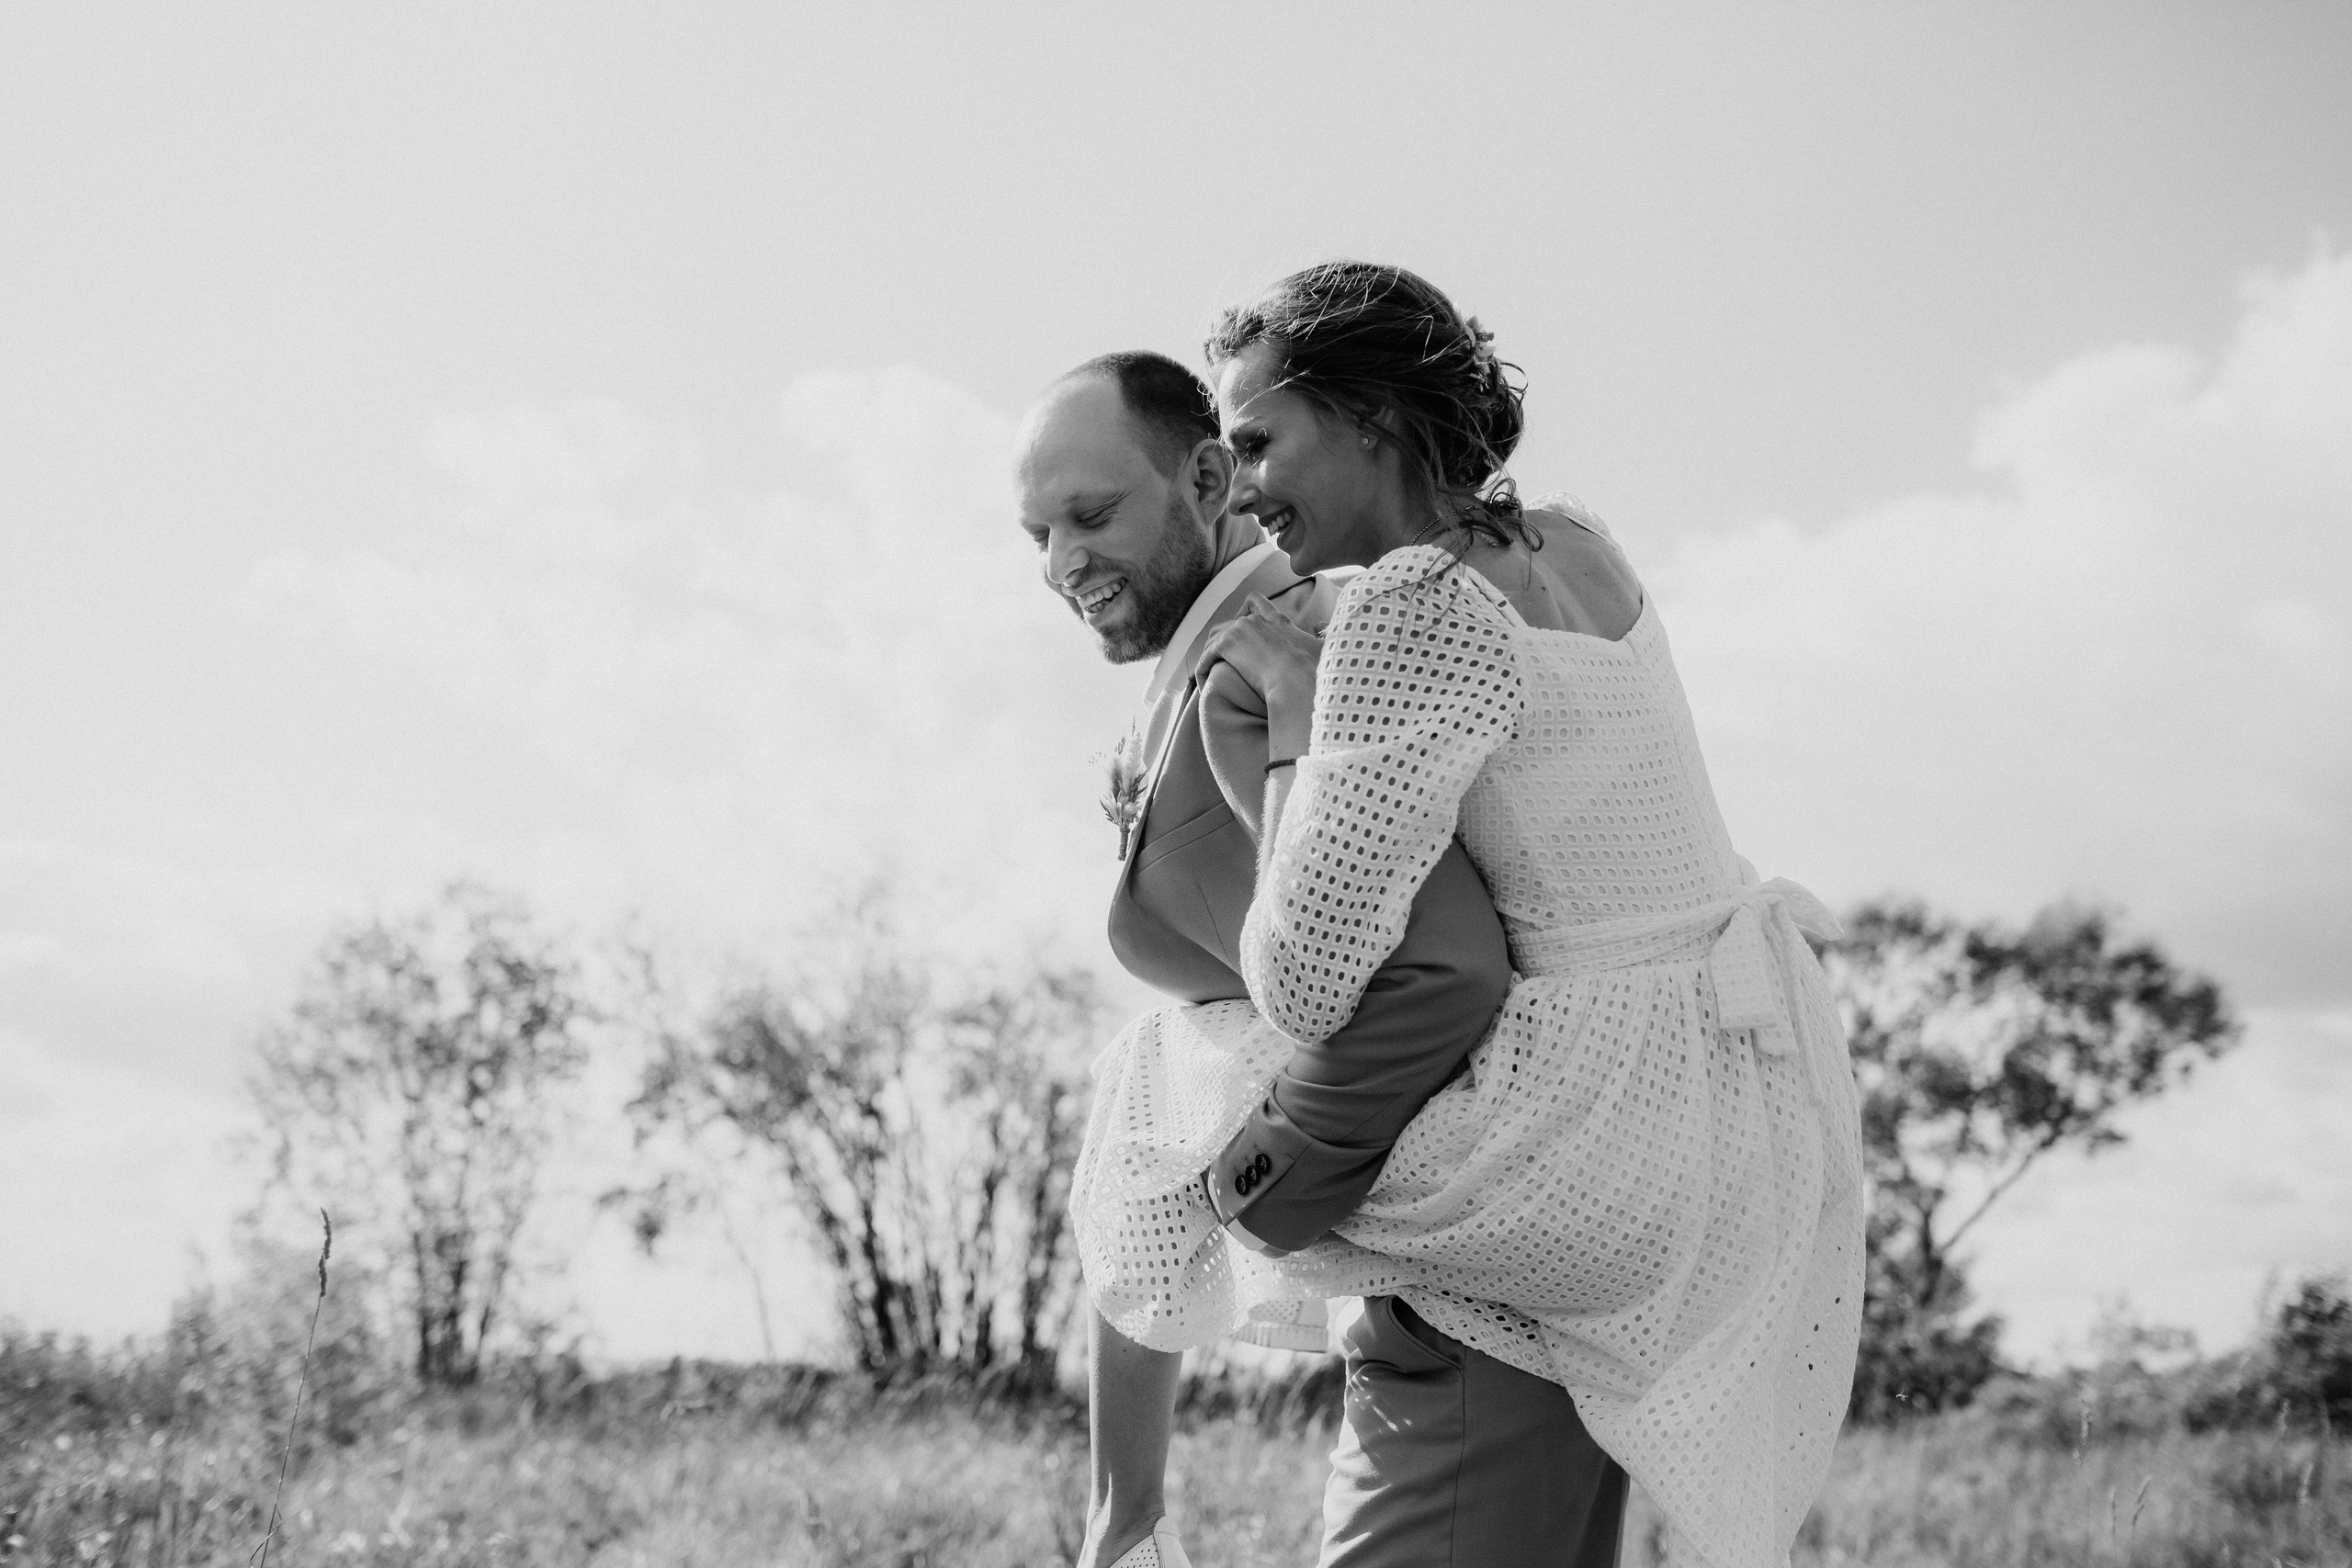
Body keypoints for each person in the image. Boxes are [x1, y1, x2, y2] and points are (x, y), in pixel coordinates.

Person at [1062, 265, 1868, 1568]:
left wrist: (1285, 726)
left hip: (1575, 1122)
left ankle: (1127, 1512)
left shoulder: (1407, 608)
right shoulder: (1581, 546)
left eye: (1260, 440)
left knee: (1161, 1077)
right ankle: (1132, 1500)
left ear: (1369, 419)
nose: (1247, 489)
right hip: (1725, 1107)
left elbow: (1310, 979)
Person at [1014, 351, 1631, 1568]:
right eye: (1036, 533)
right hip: (1451, 1308)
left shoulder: (1269, 669)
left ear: (1206, 477)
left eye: (1092, 516)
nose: (1060, 563)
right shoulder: (1210, 685)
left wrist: (1260, 1195)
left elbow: (1440, 974)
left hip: (1467, 1315)